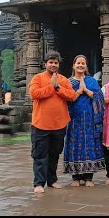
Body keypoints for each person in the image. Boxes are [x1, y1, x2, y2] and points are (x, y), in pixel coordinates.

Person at [28, 51, 76, 194]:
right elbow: (34, 94)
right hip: (41, 124)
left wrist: (58, 88)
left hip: (59, 124)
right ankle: (39, 183)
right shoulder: (38, 78)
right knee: (40, 155)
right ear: (45, 64)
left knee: (55, 153)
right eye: (51, 62)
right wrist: (50, 87)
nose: (53, 65)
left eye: (56, 62)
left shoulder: (63, 80)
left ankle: (52, 180)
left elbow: (72, 96)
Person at [63, 55, 105, 187]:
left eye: (83, 63)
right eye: (78, 63)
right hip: (74, 118)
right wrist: (79, 91)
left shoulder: (91, 81)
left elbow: (99, 97)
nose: (80, 65)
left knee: (89, 145)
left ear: (86, 66)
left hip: (89, 118)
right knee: (74, 144)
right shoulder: (68, 82)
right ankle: (75, 177)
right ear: (73, 65)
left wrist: (86, 90)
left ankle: (88, 177)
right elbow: (67, 99)